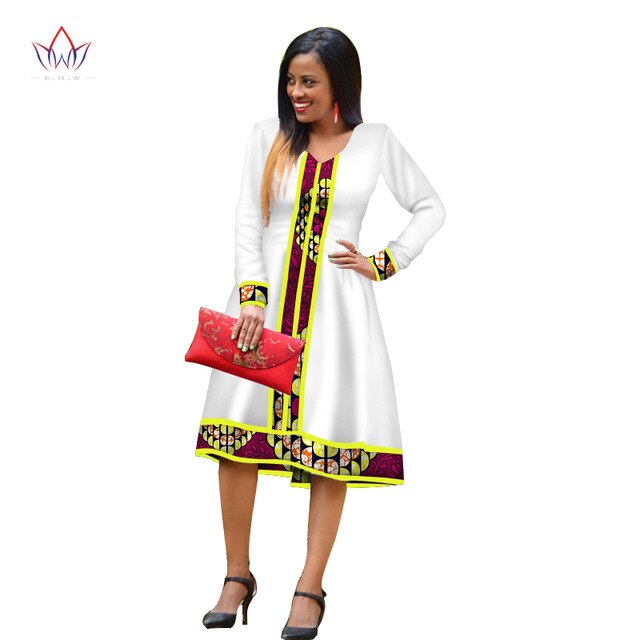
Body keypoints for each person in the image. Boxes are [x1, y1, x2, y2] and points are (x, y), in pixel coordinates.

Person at [197, 26, 446, 639]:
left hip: (338, 310)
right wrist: (252, 295)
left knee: (330, 440)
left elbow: (431, 207)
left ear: (341, 83)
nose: (297, 92)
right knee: (235, 437)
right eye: (290, 80)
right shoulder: (268, 137)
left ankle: (309, 587)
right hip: (261, 309)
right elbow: (248, 219)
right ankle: (236, 575)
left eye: (309, 81)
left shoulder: (376, 142)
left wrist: (385, 261)